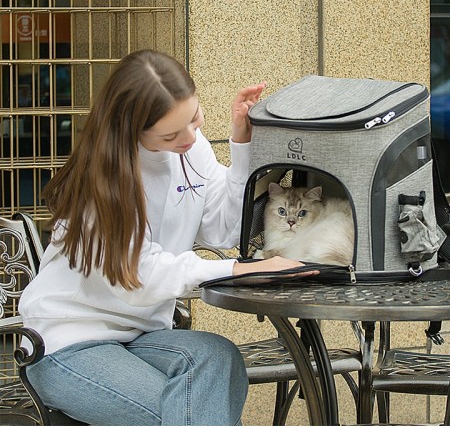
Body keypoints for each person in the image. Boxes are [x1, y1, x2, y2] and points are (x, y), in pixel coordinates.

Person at [19, 49, 313, 426]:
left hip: (140, 335)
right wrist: (242, 270)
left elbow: (223, 228)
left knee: (218, 357)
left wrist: (241, 147)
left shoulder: (190, 148)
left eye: (194, 118)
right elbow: (140, 276)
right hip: (67, 343)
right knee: (192, 416)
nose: (189, 137)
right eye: (171, 134)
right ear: (132, 130)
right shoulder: (103, 181)